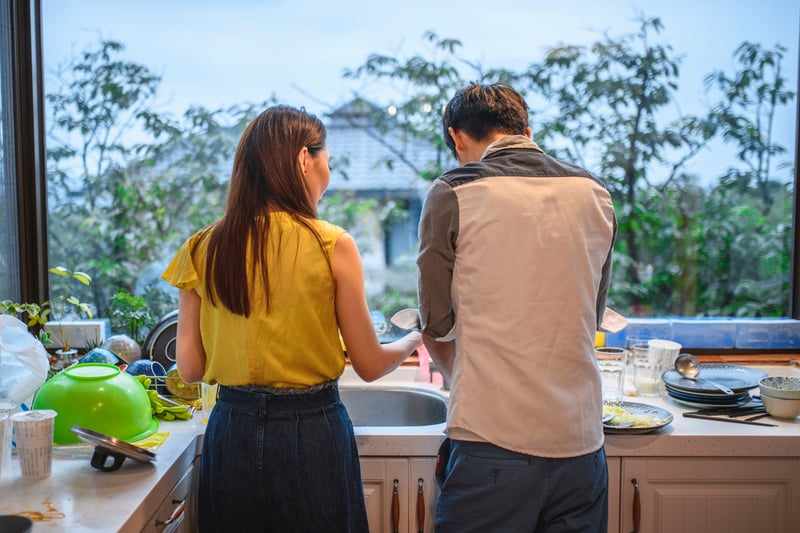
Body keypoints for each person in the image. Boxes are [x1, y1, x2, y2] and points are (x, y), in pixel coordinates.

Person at [162, 104, 422, 533]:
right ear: (305, 159)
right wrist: (413, 339)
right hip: (312, 436)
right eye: (328, 163)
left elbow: (190, 368)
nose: (328, 176)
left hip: (231, 435)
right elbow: (371, 364)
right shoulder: (332, 244)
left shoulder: (202, 247)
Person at [417, 83, 617, 532]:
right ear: (526, 130)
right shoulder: (595, 193)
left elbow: (435, 320)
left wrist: (455, 375)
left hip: (491, 440)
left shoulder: (454, 190)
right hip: (581, 445)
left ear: (457, 137)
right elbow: (592, 317)